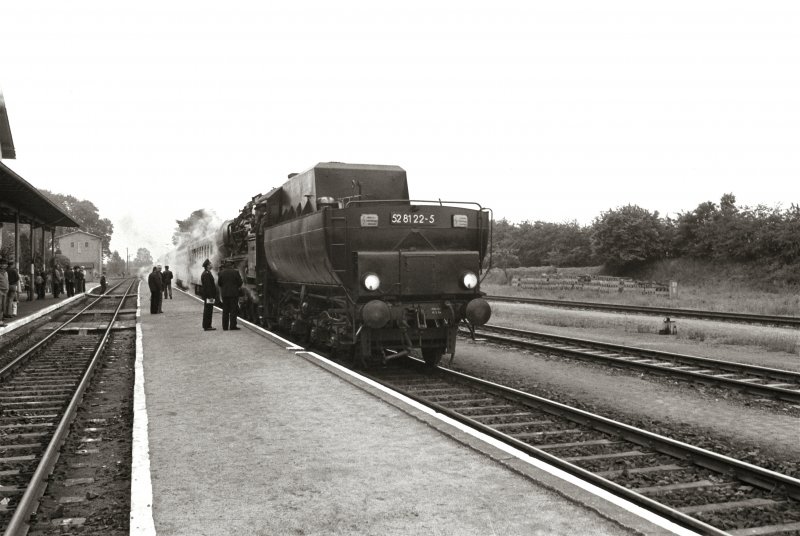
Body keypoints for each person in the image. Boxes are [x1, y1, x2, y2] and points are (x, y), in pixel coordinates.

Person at [217, 260, 243, 331]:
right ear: (232, 265)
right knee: (233, 310)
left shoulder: (221, 273)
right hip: (234, 294)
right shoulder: (236, 272)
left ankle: (225, 327)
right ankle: (232, 326)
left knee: (225, 310)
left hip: (225, 294)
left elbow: (219, 283)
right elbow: (240, 282)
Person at [200, 258, 216, 331]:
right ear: (207, 266)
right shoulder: (206, 274)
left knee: (208, 310)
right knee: (208, 310)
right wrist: (211, 297)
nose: (211, 265)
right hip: (209, 296)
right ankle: (207, 326)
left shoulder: (207, 273)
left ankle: (207, 325)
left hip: (208, 296)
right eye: (210, 264)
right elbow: (208, 287)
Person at [0, 258, 9, 327]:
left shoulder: (6, 273)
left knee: (3, 306)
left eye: (6, 264)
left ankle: (1, 320)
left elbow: (7, 281)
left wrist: (7, 288)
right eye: (3, 264)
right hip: (0, 291)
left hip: (5, 291)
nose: (5, 265)